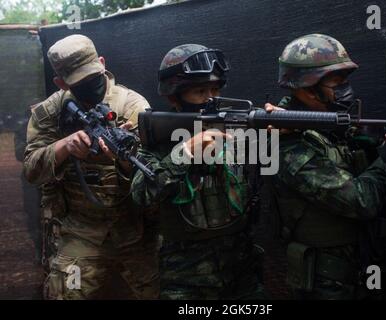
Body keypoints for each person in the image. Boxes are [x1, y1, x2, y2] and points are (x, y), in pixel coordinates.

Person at [23, 34, 159, 300]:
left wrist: (121, 159)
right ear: (60, 83)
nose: (91, 87)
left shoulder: (133, 105)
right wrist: (65, 147)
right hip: (79, 230)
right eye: (80, 83)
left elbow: (153, 172)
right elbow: (31, 170)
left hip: (134, 228)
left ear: (101, 62)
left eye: (94, 77)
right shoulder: (49, 113)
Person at [265, 34, 386, 299]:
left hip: (360, 266)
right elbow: (361, 200)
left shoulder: (331, 124)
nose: (346, 89)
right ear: (305, 88)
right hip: (326, 281)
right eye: (336, 82)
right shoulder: (285, 144)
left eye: (346, 81)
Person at [131, 44, 265, 299]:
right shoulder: (158, 143)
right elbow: (141, 195)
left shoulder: (237, 133)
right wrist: (185, 153)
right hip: (187, 275)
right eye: (200, 91)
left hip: (242, 268)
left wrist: (281, 129)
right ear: (174, 97)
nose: (211, 99)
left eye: (215, 89)